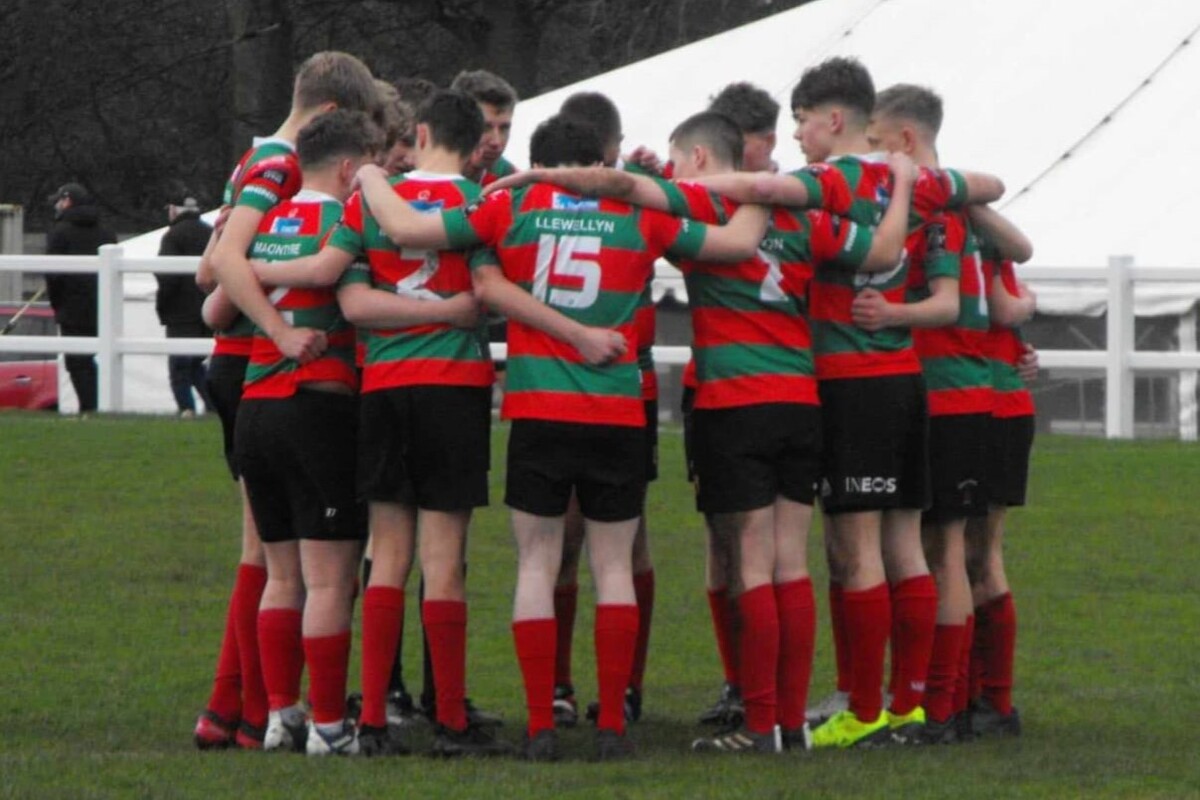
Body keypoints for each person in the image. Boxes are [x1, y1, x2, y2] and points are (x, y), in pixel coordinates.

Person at [485, 111, 915, 754]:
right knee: (791, 561)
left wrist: (563, 178)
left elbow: (648, 203)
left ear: (703, 160)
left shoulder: (699, 210)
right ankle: (793, 723)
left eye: (681, 159)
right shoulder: (804, 215)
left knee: (748, 563)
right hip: (800, 397)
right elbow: (884, 252)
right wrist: (902, 185)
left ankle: (760, 721)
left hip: (730, 399)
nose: (676, 169)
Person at [356, 114, 770, 761]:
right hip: (616, 411)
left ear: (541, 161)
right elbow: (738, 244)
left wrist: (371, 176)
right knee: (612, 567)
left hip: (538, 410)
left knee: (536, 564)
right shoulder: (639, 214)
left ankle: (542, 725)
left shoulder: (510, 205)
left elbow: (409, 230)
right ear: (596, 161)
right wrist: (761, 183)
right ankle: (610, 728)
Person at [259, 90, 506, 757]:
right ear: (474, 141)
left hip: (386, 388)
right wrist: (448, 313)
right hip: (454, 384)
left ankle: (370, 719)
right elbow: (483, 294)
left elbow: (355, 301)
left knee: (388, 558)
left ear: (420, 133)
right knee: (444, 562)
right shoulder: (480, 204)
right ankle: (448, 719)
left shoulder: (366, 202)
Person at [191, 50, 381, 752]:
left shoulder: (256, 168)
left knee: (273, 561)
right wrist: (279, 327)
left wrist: (254, 275)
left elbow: (212, 289)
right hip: (295, 382)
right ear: (336, 124)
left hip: (256, 393)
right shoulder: (285, 170)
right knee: (314, 570)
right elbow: (223, 265)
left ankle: (261, 711)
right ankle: (279, 717)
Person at [45, 182, 116, 414]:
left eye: (59, 200)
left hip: (72, 309)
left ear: (67, 201)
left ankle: (89, 408)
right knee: (101, 358)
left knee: (77, 361)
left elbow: (53, 275)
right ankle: (97, 407)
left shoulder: (60, 231)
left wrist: (57, 306)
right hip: (103, 307)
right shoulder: (106, 231)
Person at [156, 196, 213, 417]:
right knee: (198, 363)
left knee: (180, 366)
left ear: (174, 209)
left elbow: (167, 276)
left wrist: (163, 306)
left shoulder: (173, 235)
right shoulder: (209, 232)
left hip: (180, 313)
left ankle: (186, 409)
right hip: (207, 308)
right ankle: (212, 406)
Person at [450, 69, 519, 187]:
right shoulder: (415, 176)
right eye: (484, 128)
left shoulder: (513, 182)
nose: (496, 142)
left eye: (504, 128)